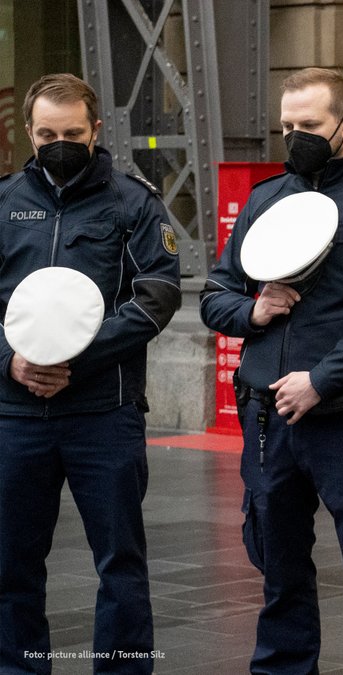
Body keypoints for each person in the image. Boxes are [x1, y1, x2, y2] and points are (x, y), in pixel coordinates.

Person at [200, 68, 343, 674]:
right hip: (267, 416)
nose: (296, 136)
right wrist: (253, 309)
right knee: (278, 568)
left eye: (310, 125)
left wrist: (321, 379)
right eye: (287, 125)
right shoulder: (265, 199)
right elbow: (215, 293)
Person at [0, 73, 182, 673]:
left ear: (96, 129)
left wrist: (73, 357)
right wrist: (13, 361)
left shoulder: (133, 202)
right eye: (46, 133)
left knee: (121, 566)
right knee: (10, 567)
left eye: (72, 132)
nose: (59, 143)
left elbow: (156, 297)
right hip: (16, 417)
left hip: (105, 414)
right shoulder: (3, 204)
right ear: (28, 132)